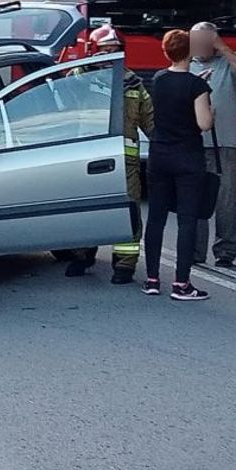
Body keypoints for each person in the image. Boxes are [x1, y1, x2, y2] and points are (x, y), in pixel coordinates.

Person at [64, 25, 154, 283]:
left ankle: (125, 265)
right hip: (86, 159)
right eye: (106, 52)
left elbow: (151, 122)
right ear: (93, 52)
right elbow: (60, 111)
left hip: (125, 162)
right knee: (85, 210)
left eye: (116, 52)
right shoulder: (76, 78)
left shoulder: (133, 83)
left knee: (128, 213)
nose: (111, 57)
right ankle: (82, 254)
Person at [142, 29, 213, 301]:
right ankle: (182, 284)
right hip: (187, 157)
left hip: (159, 155)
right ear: (191, 51)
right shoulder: (197, 86)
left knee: (157, 218)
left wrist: (199, 84)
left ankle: (151, 279)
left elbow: (173, 95)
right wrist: (209, 102)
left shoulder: (158, 79)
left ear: (166, 51)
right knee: (187, 220)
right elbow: (203, 123)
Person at [189, 21, 236, 268]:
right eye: (194, 41)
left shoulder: (227, 61)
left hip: (225, 142)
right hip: (194, 144)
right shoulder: (186, 65)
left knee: (226, 200)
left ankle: (225, 252)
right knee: (198, 199)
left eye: (203, 41)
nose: (198, 46)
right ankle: (195, 252)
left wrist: (221, 46)